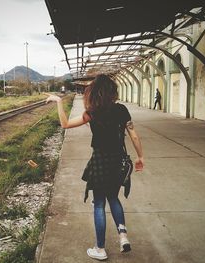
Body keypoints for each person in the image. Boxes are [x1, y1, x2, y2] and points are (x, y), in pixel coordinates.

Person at [45, 74, 144, 261]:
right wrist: (140, 157)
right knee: (113, 198)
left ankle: (100, 248)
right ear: (112, 92)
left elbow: (65, 124)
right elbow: (134, 136)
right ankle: (122, 235)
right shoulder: (122, 110)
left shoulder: (92, 112)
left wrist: (58, 102)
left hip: (100, 160)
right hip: (118, 160)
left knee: (99, 203)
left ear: (95, 92)